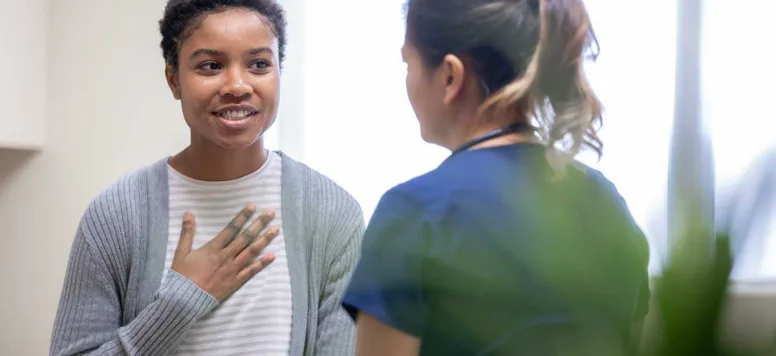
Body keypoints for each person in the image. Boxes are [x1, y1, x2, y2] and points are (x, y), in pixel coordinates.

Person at [49, 1, 364, 355]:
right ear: (174, 79)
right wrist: (178, 303)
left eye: (259, 64)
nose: (236, 85)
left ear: (280, 72)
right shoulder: (116, 216)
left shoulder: (334, 216)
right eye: (211, 66)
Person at [342, 0, 651, 355]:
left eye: (408, 63)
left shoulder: (415, 212)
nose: (407, 80)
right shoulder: (608, 203)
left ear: (450, 77)